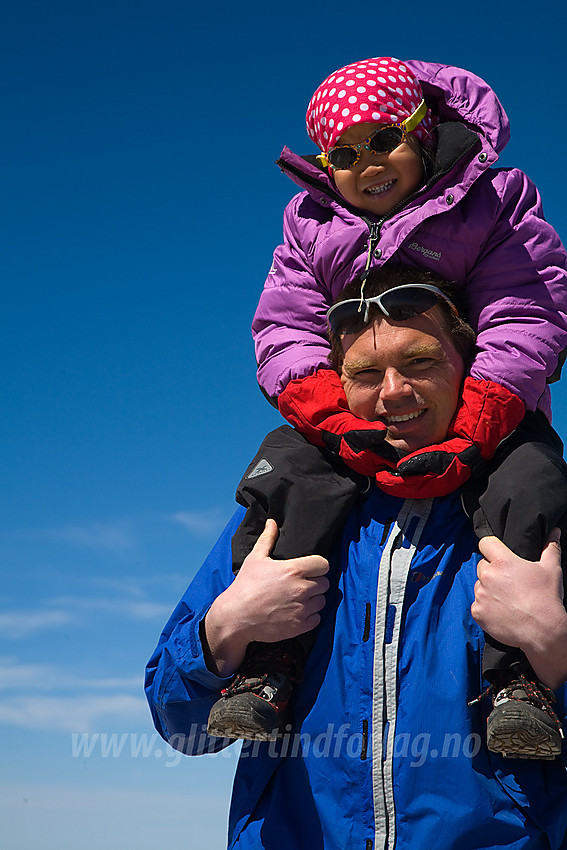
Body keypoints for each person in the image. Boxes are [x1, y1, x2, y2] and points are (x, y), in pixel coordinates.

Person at [208, 56, 567, 746]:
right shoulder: (310, 223)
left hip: (489, 415)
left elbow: (524, 313)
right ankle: (267, 661)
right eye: (342, 153)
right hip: (345, 430)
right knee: (285, 473)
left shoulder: (490, 201)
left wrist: (476, 425)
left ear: (423, 132)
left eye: (382, 140)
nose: (364, 164)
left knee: (528, 482)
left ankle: (519, 676)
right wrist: (331, 419)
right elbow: (284, 327)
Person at [145, 274, 567, 849]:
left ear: (469, 368)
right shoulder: (285, 519)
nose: (392, 391)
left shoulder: (544, 521)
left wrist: (554, 643)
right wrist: (225, 629)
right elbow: (184, 729)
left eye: (419, 362)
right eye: (365, 373)